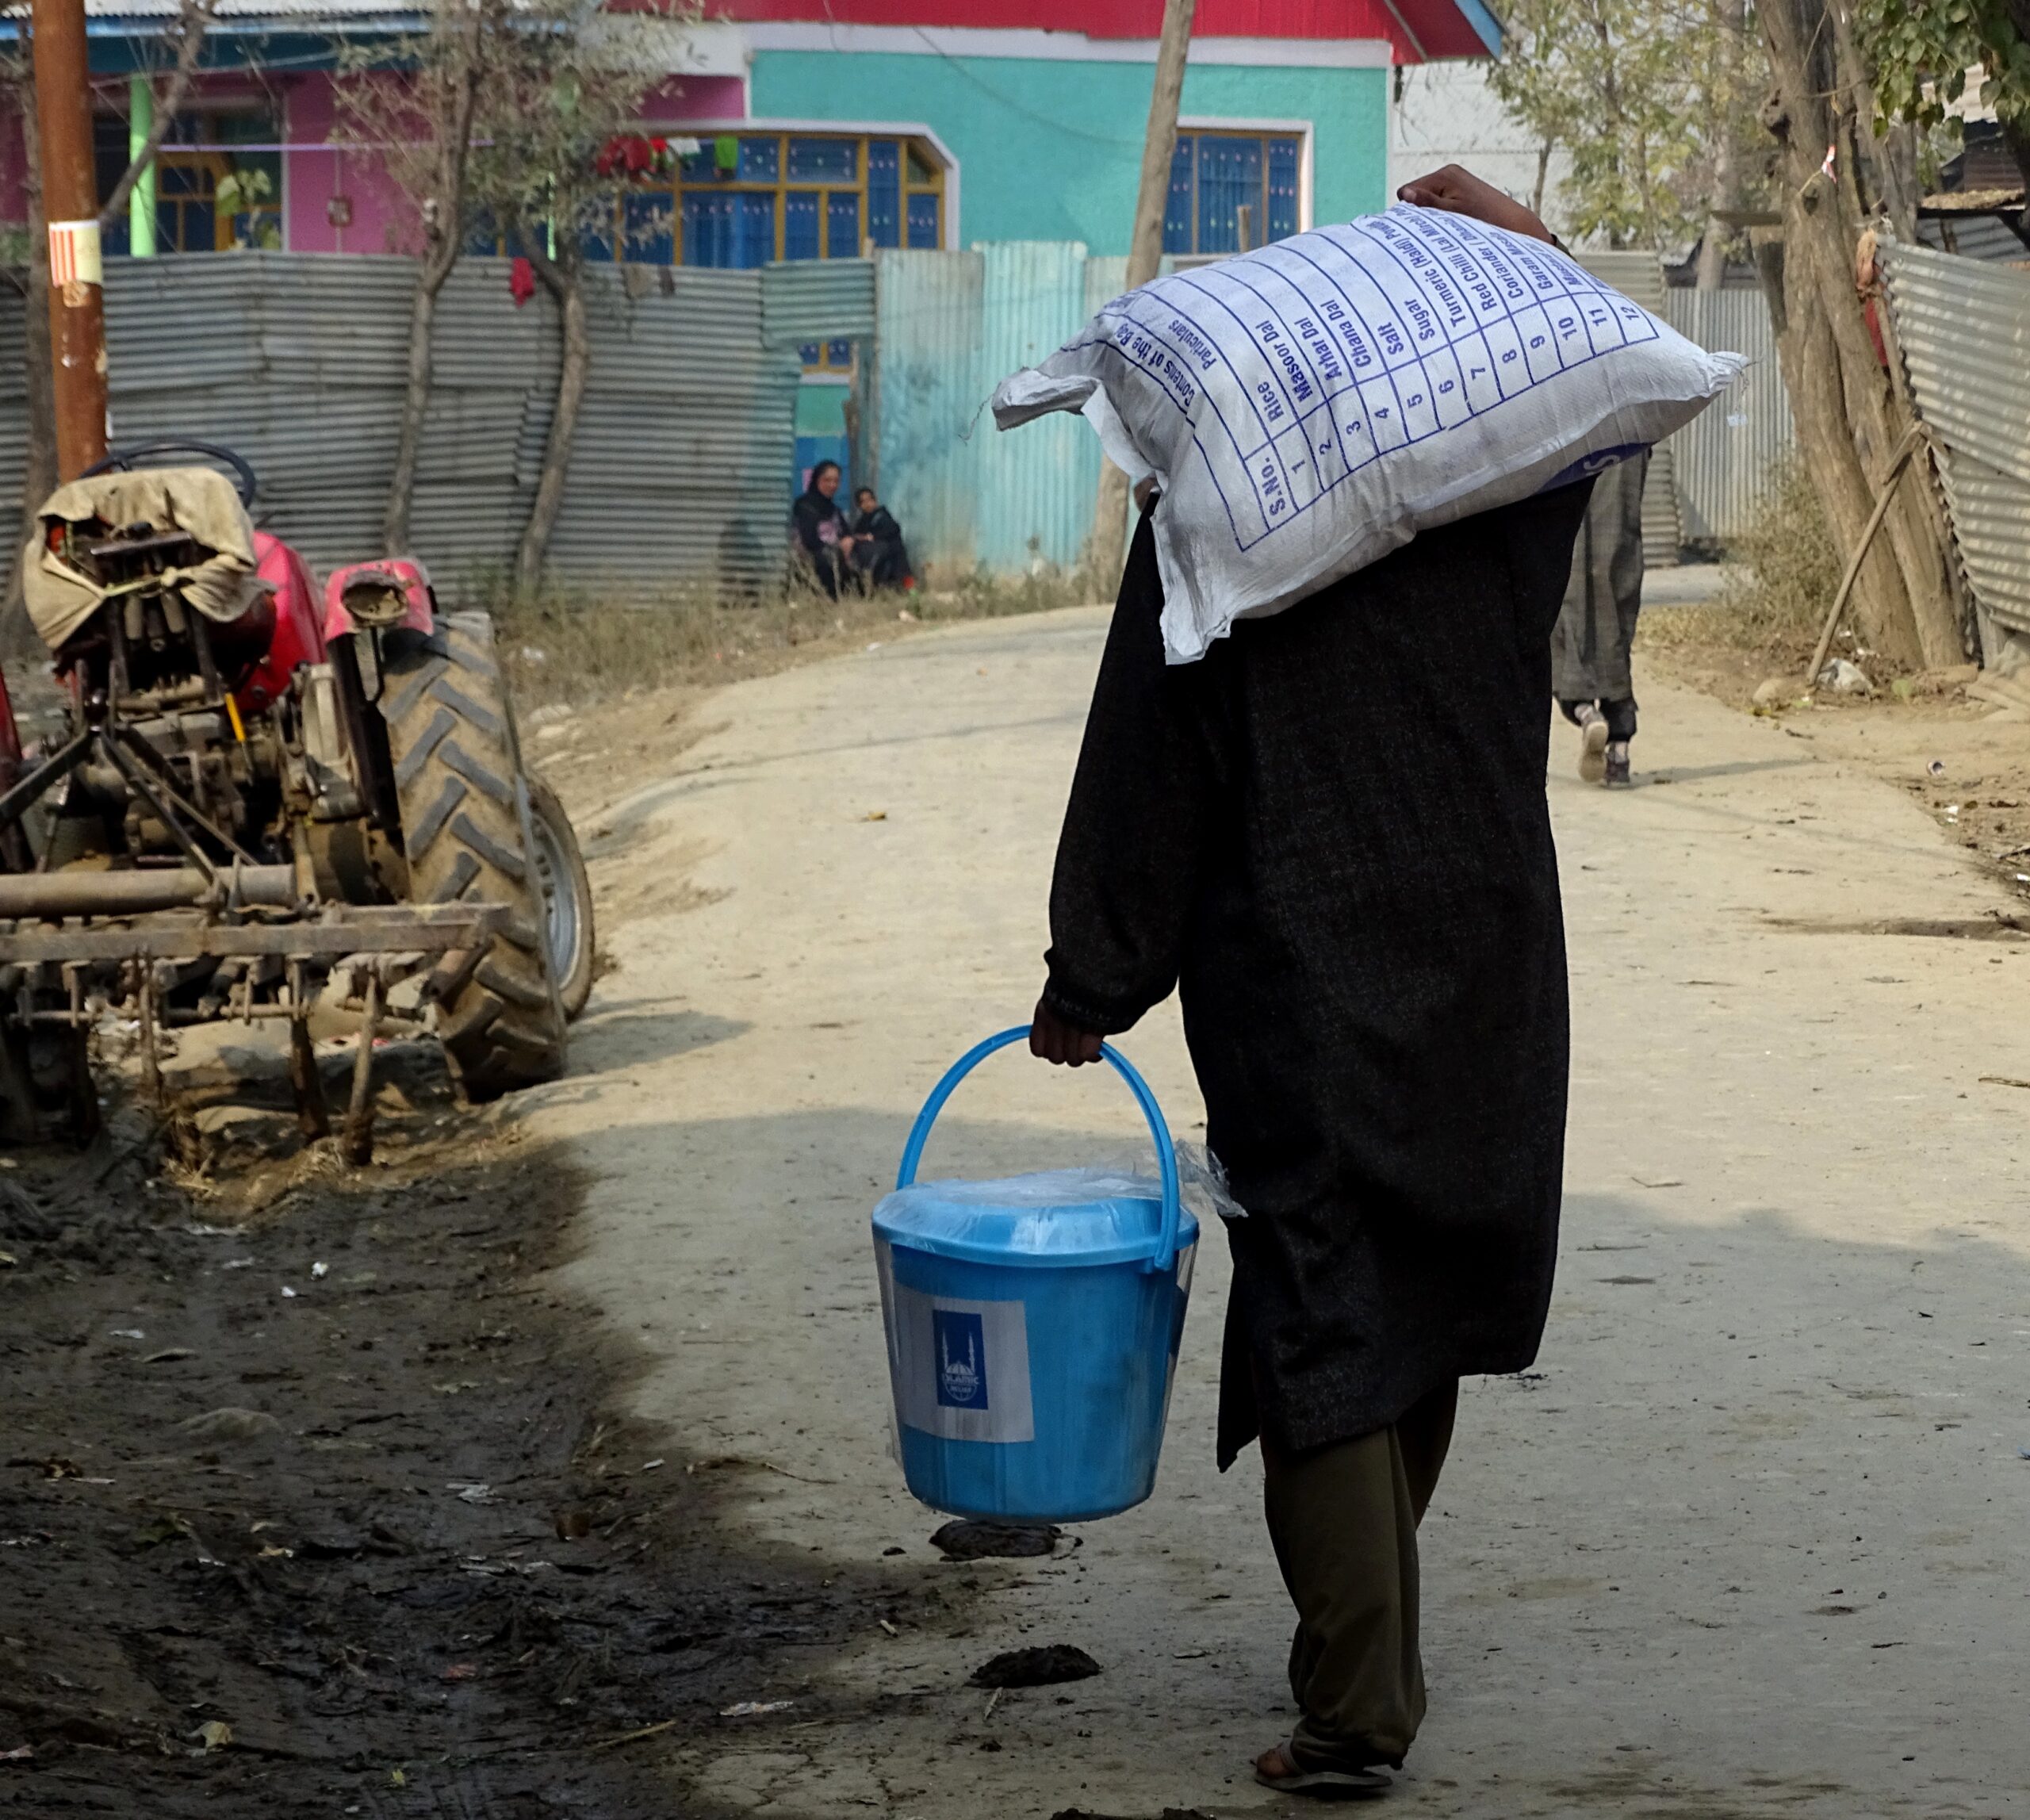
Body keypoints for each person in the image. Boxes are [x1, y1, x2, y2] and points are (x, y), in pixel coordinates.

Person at [1028, 165, 1593, 1799]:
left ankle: (1357, 1700)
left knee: (1323, 1308)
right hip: (1484, 948)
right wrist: (1505, 226)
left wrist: (1091, 972)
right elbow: (1570, 335)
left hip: (1296, 963)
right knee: (1404, 1282)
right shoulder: (1502, 482)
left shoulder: (1215, 504)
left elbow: (1148, 757)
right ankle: (1365, 1628)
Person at [1552, 451, 1649, 786]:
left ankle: (1584, 712)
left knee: (1565, 609)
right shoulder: (1634, 423)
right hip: (1625, 458)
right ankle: (1619, 755)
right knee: (1616, 617)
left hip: (1569, 465)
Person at [790, 461, 856, 600]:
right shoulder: (804, 506)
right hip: (814, 555)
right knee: (830, 557)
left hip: (838, 552)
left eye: (836, 481)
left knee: (876, 549)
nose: (832, 485)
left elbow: (846, 532)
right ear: (817, 480)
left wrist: (848, 540)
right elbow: (809, 541)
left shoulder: (833, 508)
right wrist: (837, 547)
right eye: (827, 480)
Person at [848, 486, 915, 590]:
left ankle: (912, 592)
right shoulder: (862, 522)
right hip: (878, 557)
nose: (867, 504)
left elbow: (894, 529)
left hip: (894, 554)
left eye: (870, 500)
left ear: (875, 500)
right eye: (863, 502)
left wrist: (873, 537)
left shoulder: (882, 515)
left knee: (903, 571)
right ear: (859, 505)